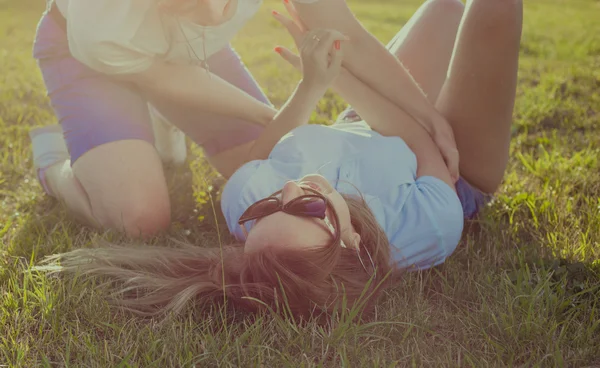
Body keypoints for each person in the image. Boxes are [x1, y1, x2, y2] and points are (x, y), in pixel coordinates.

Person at [40, 0, 523, 320]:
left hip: (363, 126)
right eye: (309, 208)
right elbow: (422, 143)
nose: (291, 189)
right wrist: (346, 87)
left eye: (270, 208)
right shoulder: (429, 226)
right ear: (353, 240)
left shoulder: (250, 204)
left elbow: (342, 37)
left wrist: (312, 86)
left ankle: (133, 137)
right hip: (452, 174)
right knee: (490, 11)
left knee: (444, 5)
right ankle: (71, 164)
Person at [30, 0, 462, 238]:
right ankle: (57, 167)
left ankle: (163, 124)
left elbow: (349, 36)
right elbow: (164, 78)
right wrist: (270, 113)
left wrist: (426, 114)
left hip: (189, 50)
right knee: (139, 219)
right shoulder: (99, 21)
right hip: (93, 61)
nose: (221, 11)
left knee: (267, 167)